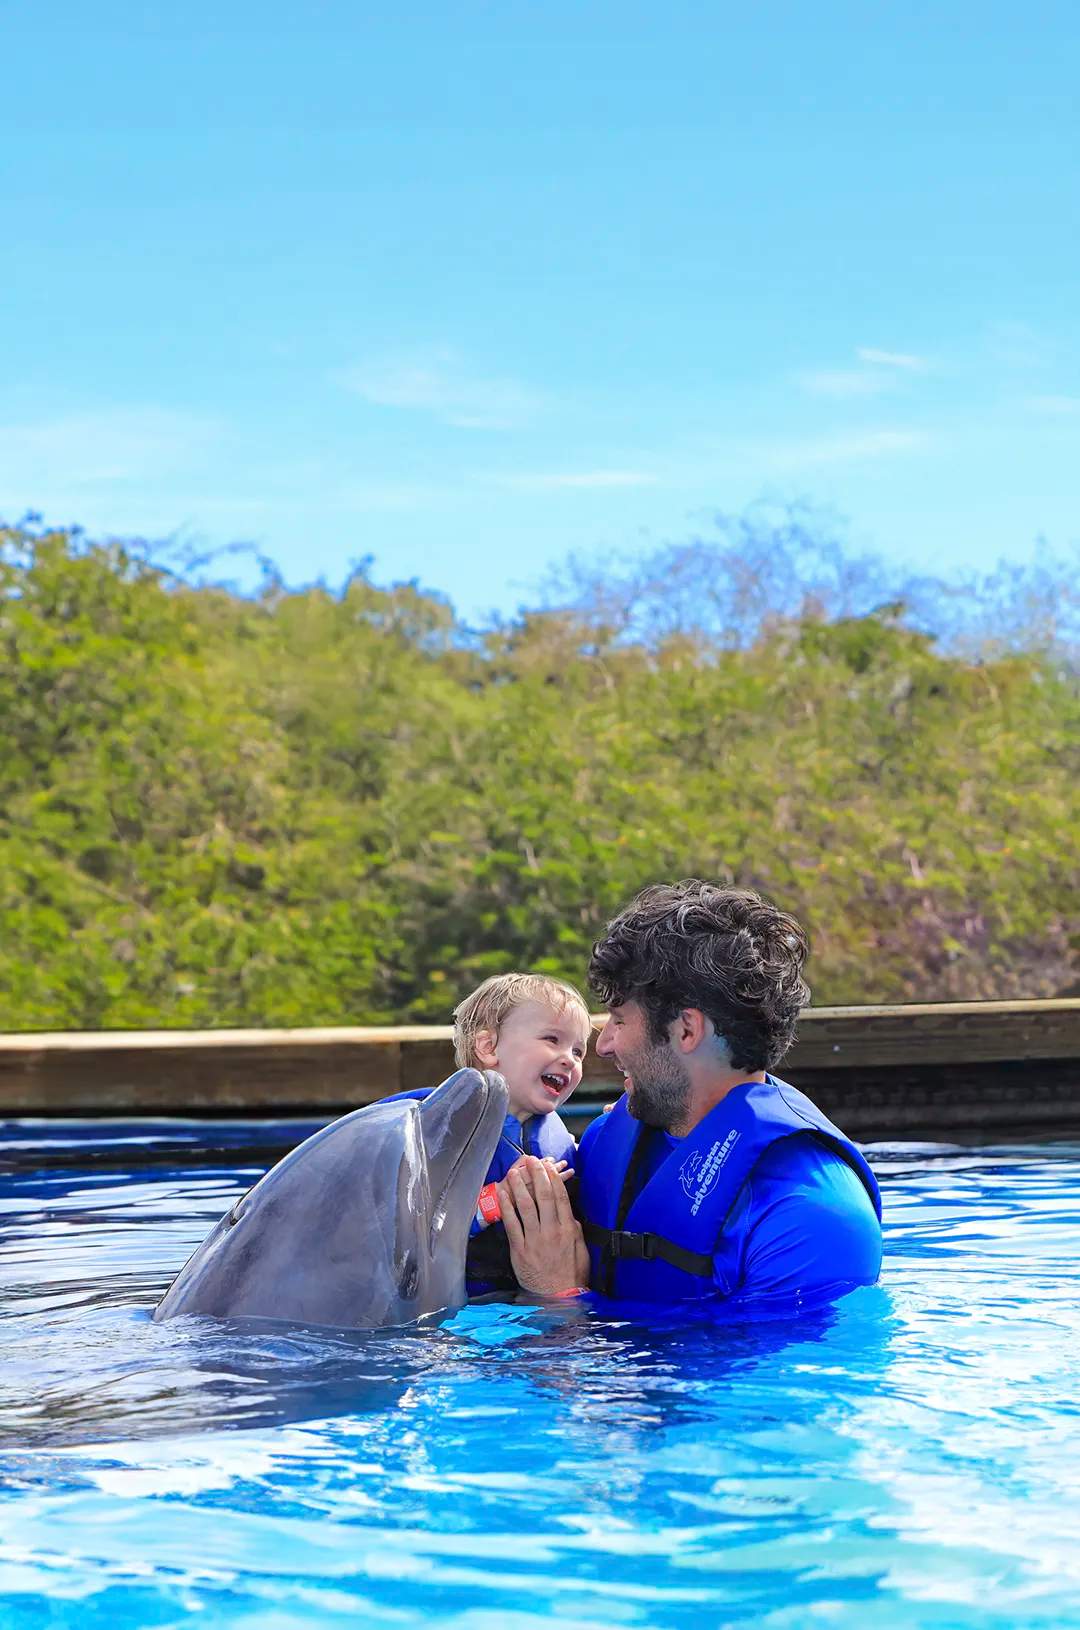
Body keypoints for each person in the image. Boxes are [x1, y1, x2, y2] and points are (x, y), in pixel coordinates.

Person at [496, 882, 882, 1312]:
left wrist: (557, 1297)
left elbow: (751, 1359)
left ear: (686, 1030)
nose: (602, 1045)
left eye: (619, 1020)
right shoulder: (606, 1140)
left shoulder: (811, 1217)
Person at [389, 971, 591, 1295]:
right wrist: (495, 1200)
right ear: (488, 1047)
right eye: (552, 1040)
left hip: (529, 1298)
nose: (569, 1059)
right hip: (467, 1305)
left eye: (578, 1051)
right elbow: (411, 1232)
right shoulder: (441, 1130)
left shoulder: (561, 1142)